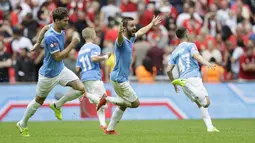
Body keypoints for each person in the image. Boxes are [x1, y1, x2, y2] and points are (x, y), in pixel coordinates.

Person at [16, 7, 92, 137]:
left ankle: (57, 105)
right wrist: (73, 43)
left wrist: (37, 43)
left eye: (67, 20)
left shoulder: (54, 27)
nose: (67, 23)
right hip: (48, 75)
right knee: (38, 101)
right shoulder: (51, 37)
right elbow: (58, 56)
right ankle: (22, 123)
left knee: (80, 89)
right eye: (64, 21)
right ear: (57, 21)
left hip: (61, 70)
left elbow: (45, 28)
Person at [97, 16, 162, 135]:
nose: (134, 27)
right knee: (135, 103)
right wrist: (119, 32)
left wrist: (151, 23)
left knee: (123, 105)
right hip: (119, 79)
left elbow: (141, 31)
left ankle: (110, 129)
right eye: (131, 26)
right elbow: (119, 39)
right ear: (125, 28)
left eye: (134, 25)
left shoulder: (131, 39)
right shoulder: (120, 41)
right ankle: (106, 99)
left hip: (119, 77)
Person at [166, 27, 219, 132]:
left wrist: (174, 84)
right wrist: (208, 63)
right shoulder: (191, 45)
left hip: (182, 79)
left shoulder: (175, 51)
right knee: (206, 102)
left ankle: (209, 127)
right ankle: (187, 86)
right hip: (193, 76)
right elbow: (196, 56)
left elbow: (168, 70)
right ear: (186, 34)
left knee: (200, 104)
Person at [75, 27, 112, 129]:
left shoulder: (81, 50)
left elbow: (77, 68)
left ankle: (103, 124)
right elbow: (94, 58)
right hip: (94, 76)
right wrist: (105, 57)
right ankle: (86, 95)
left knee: (98, 102)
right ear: (93, 35)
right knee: (103, 101)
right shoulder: (95, 47)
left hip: (85, 77)